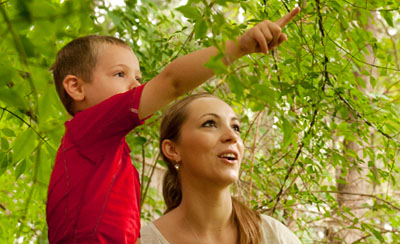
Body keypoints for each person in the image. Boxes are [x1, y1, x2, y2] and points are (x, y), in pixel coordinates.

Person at [46, 6, 300, 244]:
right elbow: (172, 82)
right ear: (76, 88)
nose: (135, 86)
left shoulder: (110, 156)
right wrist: (239, 47)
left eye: (138, 77)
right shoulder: (87, 133)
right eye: (120, 74)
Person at [140, 94, 302, 244]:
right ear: (173, 150)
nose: (232, 136)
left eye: (236, 127)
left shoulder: (273, 235)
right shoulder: (146, 240)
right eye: (210, 124)